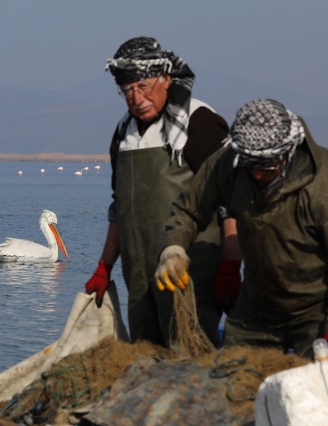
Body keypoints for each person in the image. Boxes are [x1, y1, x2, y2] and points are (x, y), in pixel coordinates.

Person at [155, 98, 328, 360]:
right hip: (256, 309)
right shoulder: (230, 164)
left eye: (267, 167)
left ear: (288, 152)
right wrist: (174, 248)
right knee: (229, 379)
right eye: (250, 166)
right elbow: (189, 209)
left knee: (316, 391)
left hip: (318, 310)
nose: (257, 175)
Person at [84, 36, 240, 347]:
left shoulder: (199, 121)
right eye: (127, 91)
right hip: (139, 278)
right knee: (144, 355)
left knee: (191, 352)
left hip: (191, 272)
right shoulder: (123, 133)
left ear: (166, 79)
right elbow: (119, 208)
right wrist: (104, 266)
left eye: (143, 87)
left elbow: (232, 199)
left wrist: (231, 266)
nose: (136, 98)